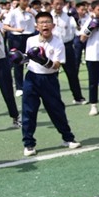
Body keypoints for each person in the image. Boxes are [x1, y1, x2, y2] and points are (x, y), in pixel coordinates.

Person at [14, 11, 81, 156]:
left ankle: (68, 138)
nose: (45, 25)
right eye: (42, 22)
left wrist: (44, 60)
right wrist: (19, 58)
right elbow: (28, 58)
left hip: (49, 80)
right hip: (32, 78)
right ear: (36, 26)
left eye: (47, 22)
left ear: (53, 25)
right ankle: (29, 144)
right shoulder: (31, 40)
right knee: (28, 111)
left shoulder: (58, 42)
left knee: (57, 110)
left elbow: (56, 65)